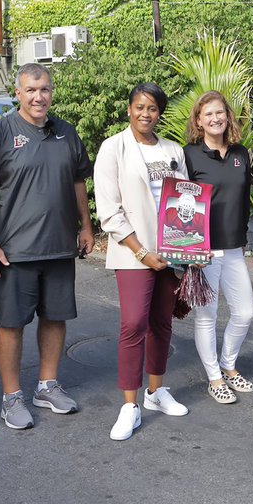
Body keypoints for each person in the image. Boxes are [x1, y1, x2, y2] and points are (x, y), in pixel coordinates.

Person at [0, 63, 94, 431]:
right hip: (14, 250)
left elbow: (77, 184)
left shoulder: (66, 133)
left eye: (44, 89)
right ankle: (11, 397)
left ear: (51, 91)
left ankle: (47, 385)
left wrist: (86, 226)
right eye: (30, 90)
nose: (38, 96)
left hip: (58, 247)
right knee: (11, 324)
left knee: (55, 317)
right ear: (18, 93)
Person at [94, 83, 190, 440]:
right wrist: (141, 253)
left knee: (162, 324)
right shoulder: (113, 148)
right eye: (139, 107)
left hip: (171, 254)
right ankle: (129, 406)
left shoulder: (173, 150)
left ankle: (156, 392)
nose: (145, 114)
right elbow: (110, 211)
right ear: (129, 109)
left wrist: (188, 248)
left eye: (152, 108)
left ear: (159, 113)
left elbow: (186, 203)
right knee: (133, 324)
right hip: (134, 252)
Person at [182, 91, 253, 405]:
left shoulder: (241, 153)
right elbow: (180, 202)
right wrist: (190, 249)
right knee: (207, 317)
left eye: (220, 113)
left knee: (245, 312)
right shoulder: (189, 155)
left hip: (235, 248)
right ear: (199, 121)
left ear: (228, 116)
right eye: (208, 114)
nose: (215, 119)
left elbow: (244, 198)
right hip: (205, 251)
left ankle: (228, 365)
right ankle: (214, 377)